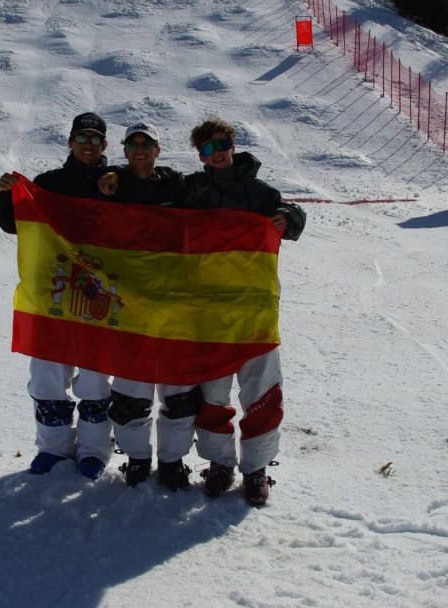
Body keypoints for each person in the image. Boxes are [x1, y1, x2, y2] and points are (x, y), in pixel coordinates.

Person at [183, 116, 305, 507]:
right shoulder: (192, 189)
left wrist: (292, 216)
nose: (216, 154)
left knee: (262, 390)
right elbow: (154, 198)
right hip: (209, 306)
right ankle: (220, 464)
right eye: (207, 149)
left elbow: (289, 209)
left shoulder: (260, 192)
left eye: (222, 146)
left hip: (255, 306)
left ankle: (257, 468)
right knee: (213, 393)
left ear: (233, 147)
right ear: (199, 154)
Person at [0, 112, 114, 480]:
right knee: (46, 375)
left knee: (94, 378)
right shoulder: (48, 183)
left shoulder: (114, 184)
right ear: (70, 142)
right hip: (53, 292)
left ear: (104, 145)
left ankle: (94, 451)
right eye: (82, 137)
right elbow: (16, 224)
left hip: (98, 292)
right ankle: (53, 448)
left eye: (95, 139)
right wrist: (2, 195)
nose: (88, 144)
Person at [97, 121, 201, 491]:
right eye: (133, 144)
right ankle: (137, 460)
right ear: (124, 151)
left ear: (158, 150)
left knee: (179, 394)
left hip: (174, 302)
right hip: (129, 303)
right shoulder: (110, 185)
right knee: (129, 393)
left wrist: (285, 211)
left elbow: (220, 198)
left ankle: (172, 462)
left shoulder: (175, 183)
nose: (140, 149)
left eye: (148, 144)